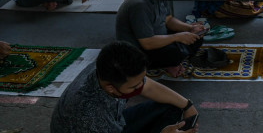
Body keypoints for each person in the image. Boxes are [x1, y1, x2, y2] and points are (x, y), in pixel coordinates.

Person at [50, 41, 199, 133]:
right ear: (111, 88)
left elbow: (149, 87)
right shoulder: (89, 116)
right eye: (135, 86)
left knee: (174, 106)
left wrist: (187, 105)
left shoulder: (107, 69)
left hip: (115, 123)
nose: (142, 87)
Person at [116, 0, 206, 77]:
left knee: (196, 37)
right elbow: (147, 43)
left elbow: (168, 20)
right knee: (176, 53)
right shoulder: (140, 4)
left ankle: (173, 62)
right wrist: (178, 37)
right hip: (138, 51)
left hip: (158, 39)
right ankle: (171, 63)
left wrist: (189, 28)